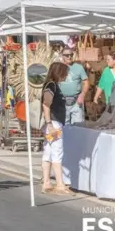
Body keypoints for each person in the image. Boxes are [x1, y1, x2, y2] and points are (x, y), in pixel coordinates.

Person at [41, 61, 70, 194]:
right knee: (57, 151)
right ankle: (59, 183)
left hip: (51, 123)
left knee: (48, 151)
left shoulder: (51, 85)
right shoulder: (51, 86)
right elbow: (46, 104)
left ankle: (47, 182)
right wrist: (49, 124)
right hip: (54, 123)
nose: (66, 76)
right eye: (64, 73)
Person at [58, 49, 89, 125]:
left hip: (76, 102)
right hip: (62, 102)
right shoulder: (58, 68)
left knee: (78, 127)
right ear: (62, 56)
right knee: (63, 127)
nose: (69, 57)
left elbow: (86, 83)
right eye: (67, 55)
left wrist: (82, 95)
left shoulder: (79, 67)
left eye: (71, 55)